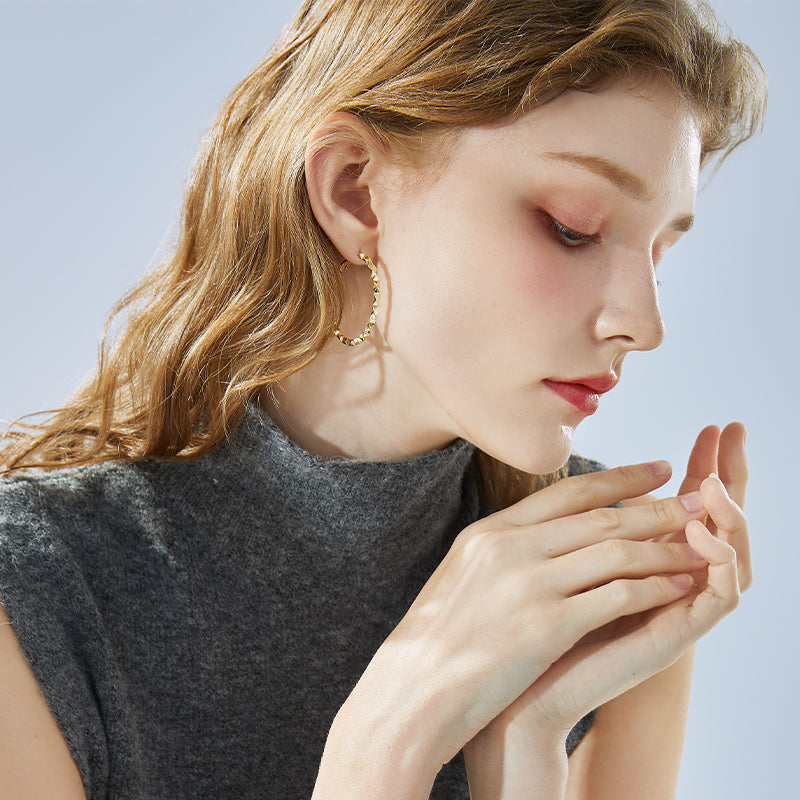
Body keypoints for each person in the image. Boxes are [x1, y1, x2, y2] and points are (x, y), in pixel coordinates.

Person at [0, 0, 766, 797]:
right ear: (355, 192)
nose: (643, 323)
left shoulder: (606, 581)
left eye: (660, 251)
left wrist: (527, 743)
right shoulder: (39, 594)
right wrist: (389, 740)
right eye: (573, 227)